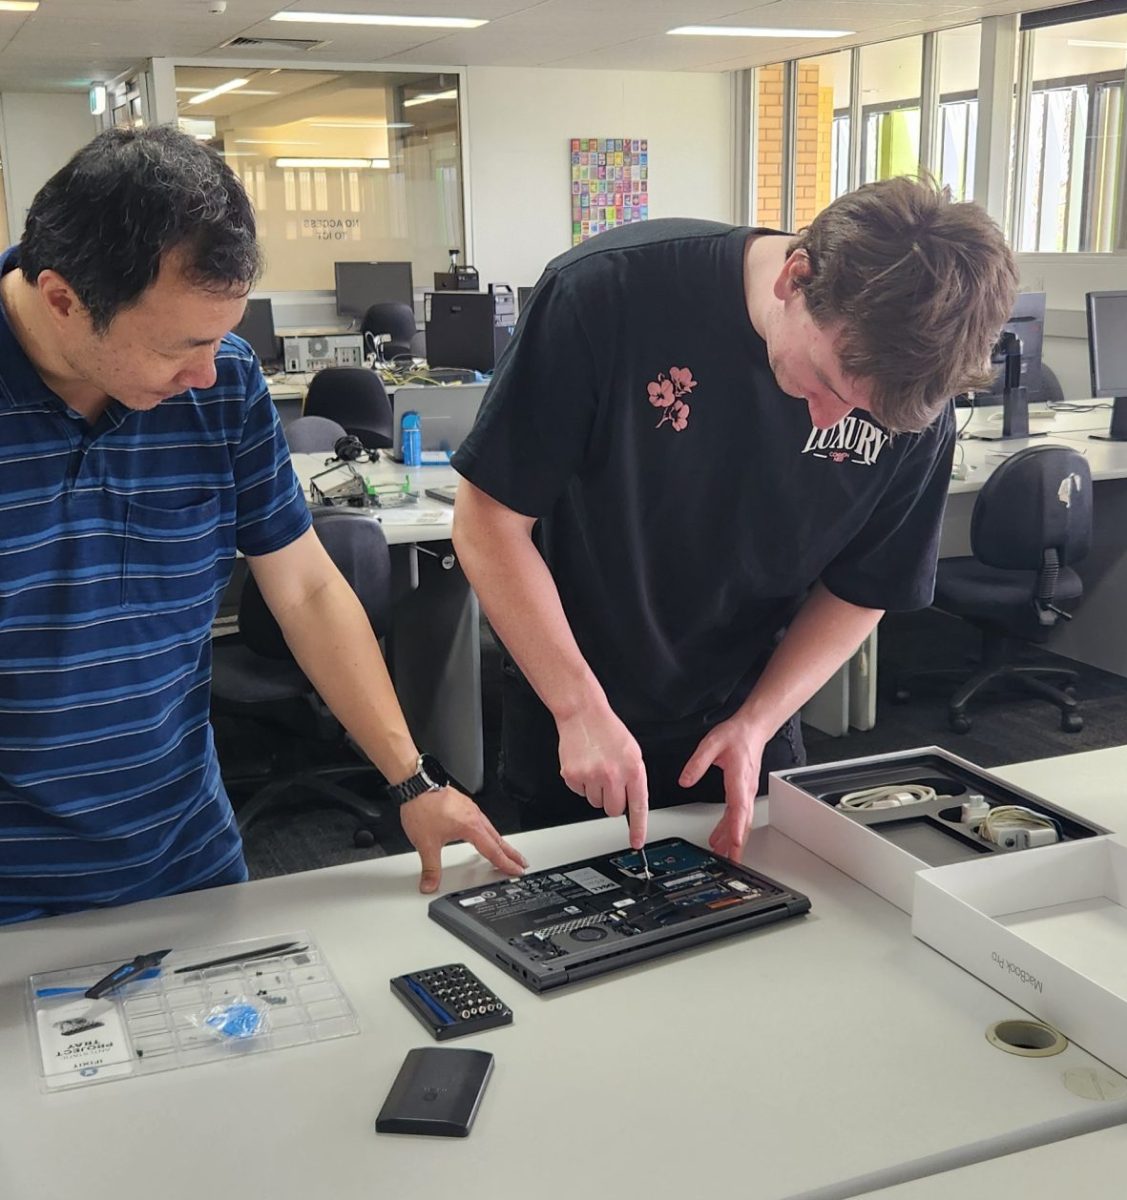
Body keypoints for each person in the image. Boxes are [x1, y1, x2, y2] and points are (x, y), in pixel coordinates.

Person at [0, 126, 524, 925]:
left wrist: (411, 779)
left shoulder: (220, 383)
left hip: (188, 851)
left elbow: (308, 588)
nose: (209, 373)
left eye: (223, 336)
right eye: (184, 344)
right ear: (64, 300)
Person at [451, 177, 1018, 861]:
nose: (827, 420)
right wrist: (576, 709)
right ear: (795, 277)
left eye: (861, 414)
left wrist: (757, 721)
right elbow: (487, 522)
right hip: (575, 687)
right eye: (826, 383)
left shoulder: (911, 400)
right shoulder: (606, 294)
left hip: (750, 704)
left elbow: (865, 586)